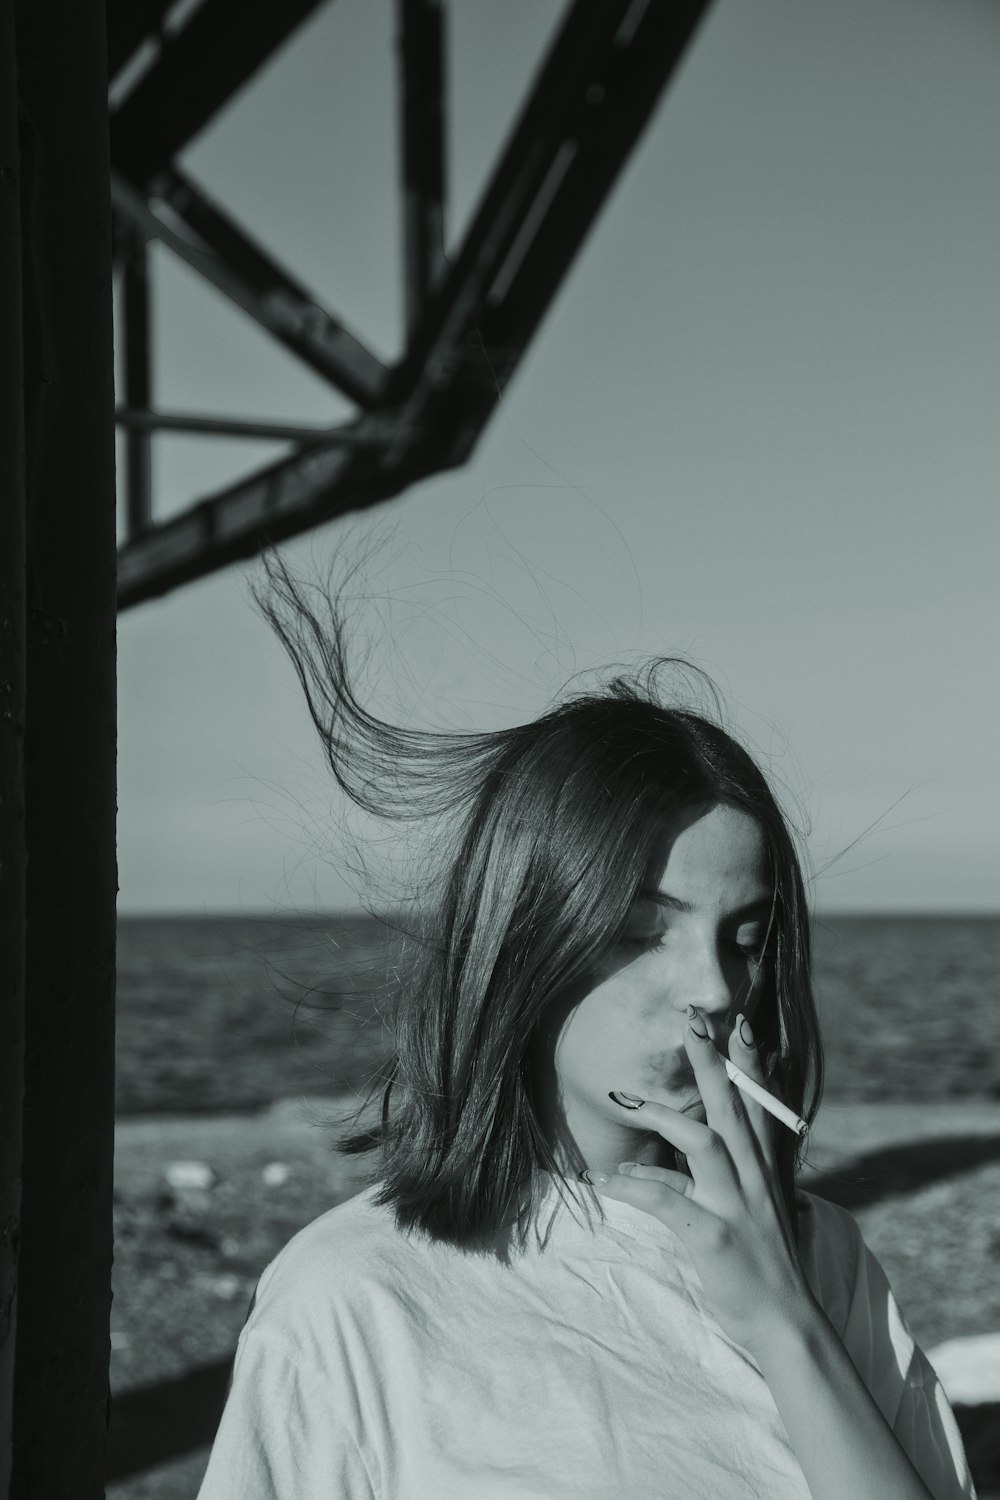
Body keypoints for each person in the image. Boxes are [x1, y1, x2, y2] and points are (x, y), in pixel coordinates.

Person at [196, 544, 977, 1500]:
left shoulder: (823, 1259)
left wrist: (784, 1320)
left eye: (745, 935)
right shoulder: (355, 1295)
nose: (717, 989)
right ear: (525, 937)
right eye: (642, 932)